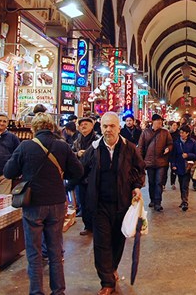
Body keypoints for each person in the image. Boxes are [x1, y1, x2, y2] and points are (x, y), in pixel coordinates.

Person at [3, 112, 84, 295]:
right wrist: (63, 181)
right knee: (56, 250)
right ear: (52, 128)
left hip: (33, 204)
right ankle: (58, 291)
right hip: (56, 202)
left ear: (34, 129)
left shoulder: (25, 146)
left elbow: (8, 172)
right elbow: (78, 172)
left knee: (34, 251)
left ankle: (37, 291)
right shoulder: (62, 147)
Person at [79, 112, 146, 295]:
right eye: (105, 126)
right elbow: (80, 171)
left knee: (117, 240)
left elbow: (139, 170)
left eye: (112, 126)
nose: (108, 130)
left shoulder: (129, 148)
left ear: (119, 127)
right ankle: (106, 281)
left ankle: (112, 267)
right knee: (101, 242)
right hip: (99, 205)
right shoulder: (93, 149)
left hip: (122, 204)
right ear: (101, 128)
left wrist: (137, 186)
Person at [138, 113, 173, 212]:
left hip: (161, 162)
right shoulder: (145, 132)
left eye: (161, 121)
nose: (160, 123)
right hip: (149, 162)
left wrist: (168, 148)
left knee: (158, 182)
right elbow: (140, 147)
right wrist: (140, 160)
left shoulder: (165, 133)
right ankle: (152, 200)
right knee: (152, 182)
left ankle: (158, 202)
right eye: (158, 121)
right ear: (153, 121)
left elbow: (170, 143)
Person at [72, 116, 101, 236]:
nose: (83, 126)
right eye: (81, 124)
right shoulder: (76, 141)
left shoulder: (98, 140)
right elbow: (70, 154)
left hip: (94, 176)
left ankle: (97, 226)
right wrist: (77, 154)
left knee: (94, 202)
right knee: (83, 202)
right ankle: (87, 226)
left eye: (86, 124)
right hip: (80, 176)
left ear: (92, 126)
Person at [170, 125, 196, 211]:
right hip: (179, 166)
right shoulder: (176, 142)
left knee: (185, 185)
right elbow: (173, 155)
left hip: (188, 167)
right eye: (180, 132)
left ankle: (185, 201)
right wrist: (173, 165)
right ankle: (183, 200)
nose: (181, 134)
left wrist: (188, 155)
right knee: (181, 183)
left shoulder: (193, 142)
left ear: (187, 133)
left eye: (183, 133)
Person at [167, 121, 180, 190]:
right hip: (168, 152)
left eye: (176, 125)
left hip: (175, 153)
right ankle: (163, 183)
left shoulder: (179, 134)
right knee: (165, 169)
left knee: (173, 168)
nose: (175, 126)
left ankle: (173, 183)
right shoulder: (168, 133)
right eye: (173, 125)